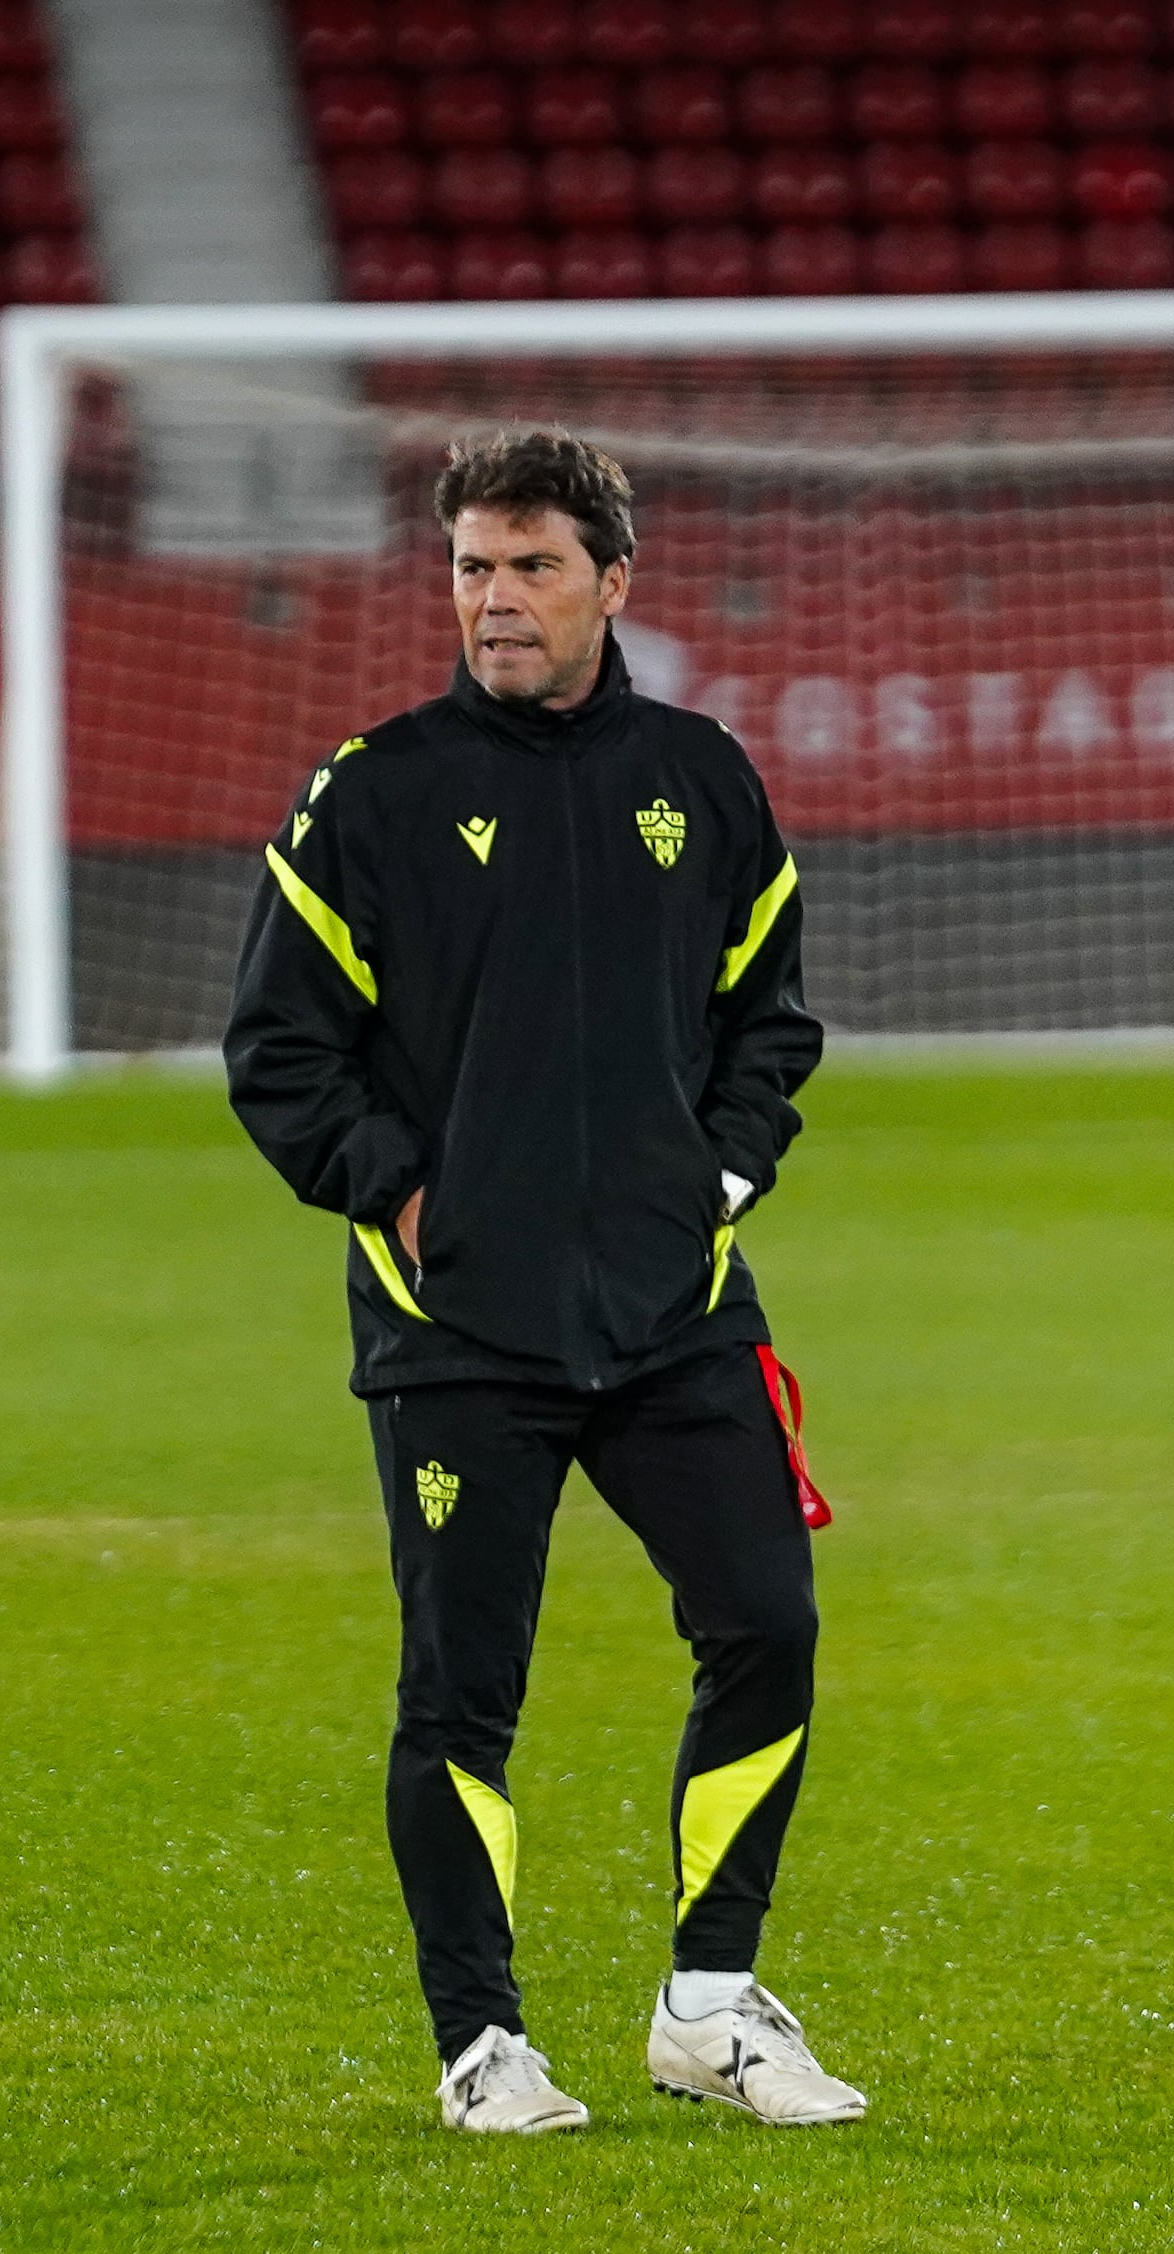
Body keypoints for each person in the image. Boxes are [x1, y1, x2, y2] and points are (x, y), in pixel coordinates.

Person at [224, 428, 865, 2137]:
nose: (494, 599)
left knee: (770, 1629)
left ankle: (711, 2007)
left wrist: (720, 1178)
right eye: (470, 568)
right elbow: (281, 1054)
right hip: (463, 1334)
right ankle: (483, 2045)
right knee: (462, 1695)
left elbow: (770, 1016)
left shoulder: (705, 778)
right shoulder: (375, 793)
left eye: (530, 567)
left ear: (612, 584)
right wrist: (406, 1198)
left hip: (672, 1313)